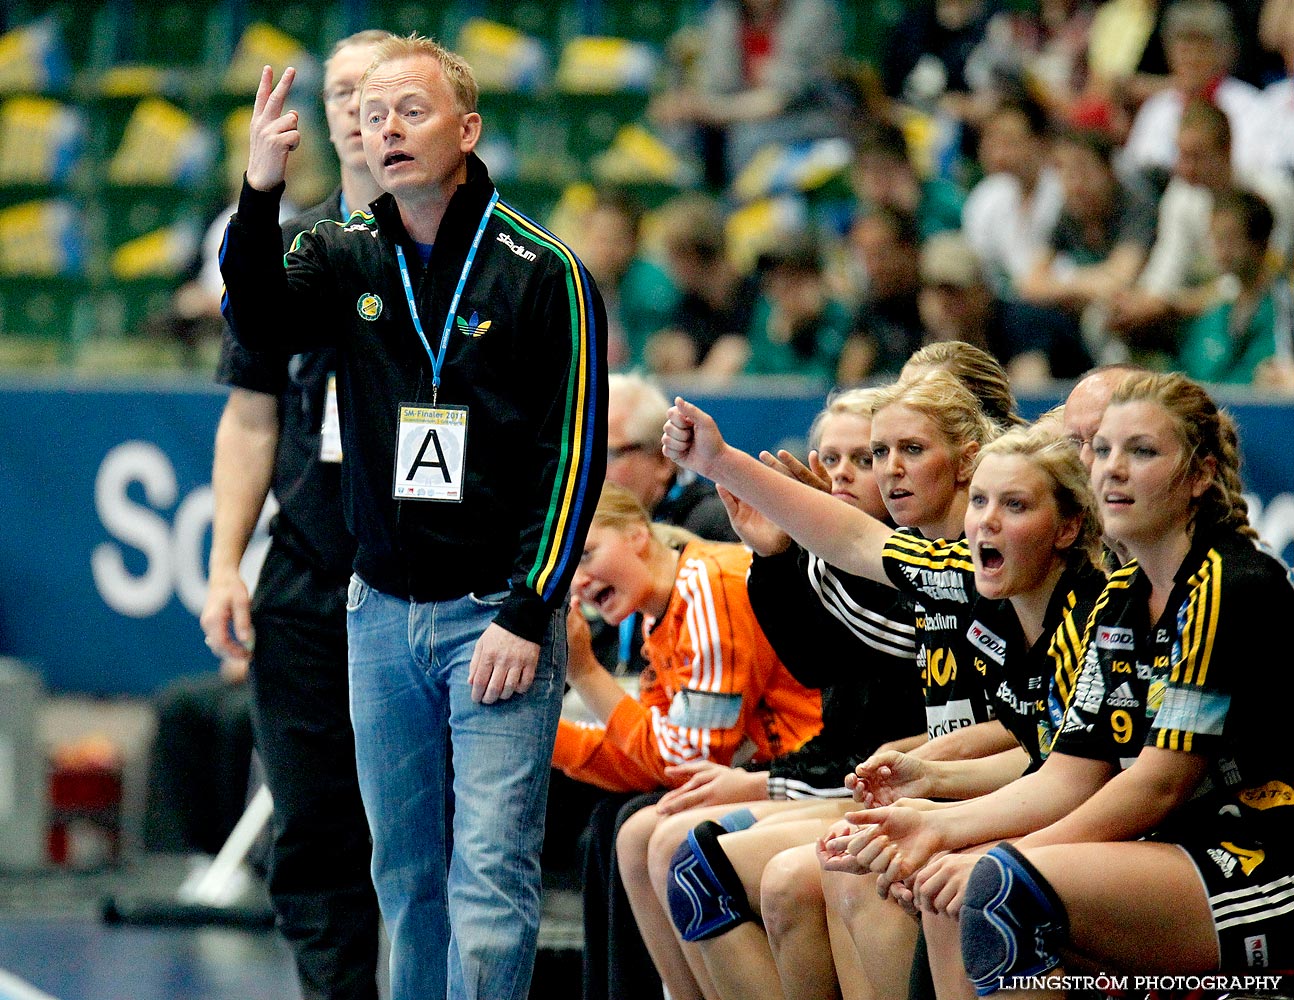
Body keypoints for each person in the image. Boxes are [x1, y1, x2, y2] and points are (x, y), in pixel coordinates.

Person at [219, 35, 608, 1000]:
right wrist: (259, 193)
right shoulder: (340, 247)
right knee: (404, 874)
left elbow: (576, 454)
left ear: (468, 131)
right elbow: (257, 321)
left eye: (412, 113)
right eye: (373, 115)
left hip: (494, 619)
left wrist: (528, 609)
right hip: (379, 613)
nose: (385, 130)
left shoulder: (541, 269)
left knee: (488, 874)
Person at [838, 372, 1294, 995]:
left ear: (1199, 476)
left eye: (1142, 452)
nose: (1112, 469)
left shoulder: (1228, 583)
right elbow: (1071, 772)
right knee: (957, 884)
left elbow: (1159, 784)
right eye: (1102, 450)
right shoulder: (1121, 599)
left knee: (999, 889)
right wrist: (940, 827)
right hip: (1169, 841)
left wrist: (995, 854)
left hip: (1257, 851)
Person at [617, 387, 925, 1000]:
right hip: (857, 775)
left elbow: (842, 664)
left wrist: (762, 784)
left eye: (865, 457)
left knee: (686, 853)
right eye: (828, 459)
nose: (841, 475)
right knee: (637, 833)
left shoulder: (920, 573)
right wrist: (777, 553)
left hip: (886, 785)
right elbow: (818, 666)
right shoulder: (832, 568)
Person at [198, 30, 388, 1000]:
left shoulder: (475, 258)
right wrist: (226, 562)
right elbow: (250, 413)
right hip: (308, 578)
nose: (360, 109)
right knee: (314, 828)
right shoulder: (287, 254)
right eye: (344, 91)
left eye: (381, 90)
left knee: (427, 836)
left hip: (429, 586)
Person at [1178, 187, 1294, 384]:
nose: (1221, 252)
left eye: (1230, 240)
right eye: (1216, 240)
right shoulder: (1215, 306)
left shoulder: (1284, 304)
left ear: (1259, 242)